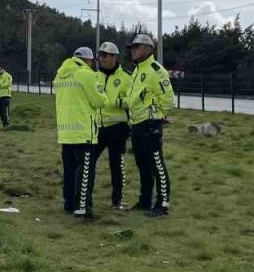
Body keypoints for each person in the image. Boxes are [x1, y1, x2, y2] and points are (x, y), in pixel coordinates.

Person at [124, 33, 175, 217]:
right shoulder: (137, 70)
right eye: (131, 48)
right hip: (136, 124)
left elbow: (169, 100)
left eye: (136, 47)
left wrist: (156, 117)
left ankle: (162, 204)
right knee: (143, 165)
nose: (132, 51)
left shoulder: (156, 70)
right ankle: (144, 200)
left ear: (147, 48)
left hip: (150, 124)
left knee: (157, 164)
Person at [54, 46, 107, 218]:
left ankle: (68, 203)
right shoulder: (85, 74)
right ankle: (82, 207)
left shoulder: (61, 74)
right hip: (83, 131)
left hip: (66, 132)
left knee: (69, 170)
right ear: (89, 60)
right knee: (85, 171)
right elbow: (100, 100)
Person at [93, 42, 132, 210]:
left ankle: (117, 200)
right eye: (100, 55)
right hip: (98, 126)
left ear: (113, 57)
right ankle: (85, 198)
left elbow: (133, 100)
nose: (101, 59)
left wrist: (116, 102)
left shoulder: (126, 77)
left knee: (116, 164)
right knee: (89, 161)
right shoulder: (95, 76)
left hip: (118, 127)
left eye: (104, 55)